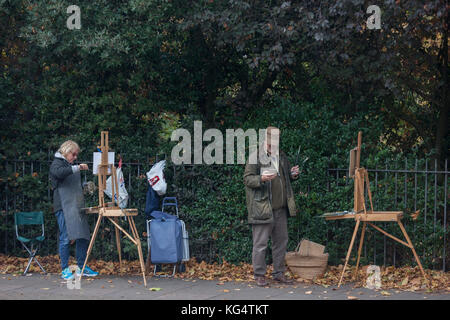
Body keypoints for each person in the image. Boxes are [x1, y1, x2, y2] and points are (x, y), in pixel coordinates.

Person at [243, 127, 299, 286]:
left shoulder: (281, 155)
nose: (272, 147)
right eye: (269, 145)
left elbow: (286, 176)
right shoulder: (255, 156)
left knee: (281, 242)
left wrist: (293, 174)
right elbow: (247, 179)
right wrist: (261, 178)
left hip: (281, 208)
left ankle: (278, 273)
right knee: (260, 244)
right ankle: (259, 275)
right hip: (263, 208)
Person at [49, 140, 98, 280]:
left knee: (82, 235)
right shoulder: (57, 163)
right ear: (67, 151)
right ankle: (65, 269)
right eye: (74, 154)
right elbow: (59, 173)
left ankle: (81, 267)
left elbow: (72, 184)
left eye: (76, 155)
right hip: (63, 205)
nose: (75, 157)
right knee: (65, 237)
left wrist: (85, 186)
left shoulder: (70, 165)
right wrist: (77, 168)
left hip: (75, 205)